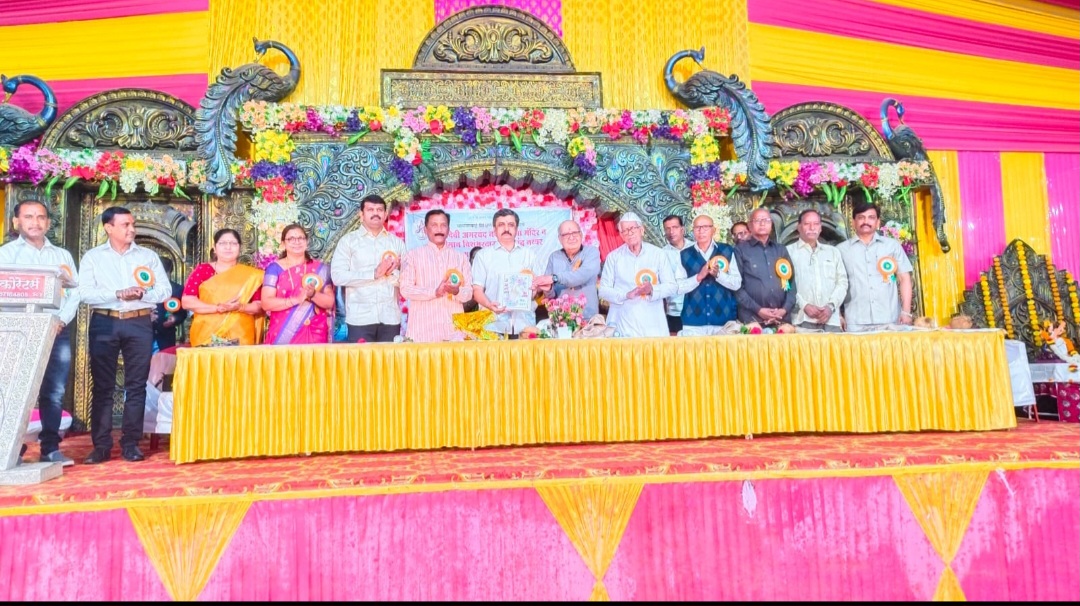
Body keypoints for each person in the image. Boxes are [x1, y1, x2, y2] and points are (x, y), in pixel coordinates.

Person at [78, 206, 171, 464]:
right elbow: (84, 293)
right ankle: (101, 446)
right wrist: (117, 294)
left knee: (136, 385)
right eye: (125, 225)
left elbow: (164, 291)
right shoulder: (93, 257)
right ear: (108, 227)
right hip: (104, 322)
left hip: (138, 322)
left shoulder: (148, 256)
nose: (132, 229)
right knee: (103, 386)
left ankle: (131, 443)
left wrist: (142, 294)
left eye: (133, 224)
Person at [0, 200, 80, 466]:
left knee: (54, 391)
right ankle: (12, 447)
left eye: (40, 217)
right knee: (12, 390)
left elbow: (74, 293)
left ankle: (50, 448)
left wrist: (60, 320)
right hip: (17, 334)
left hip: (55, 332)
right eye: (28, 217)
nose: (35, 222)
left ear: (48, 222)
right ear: (16, 222)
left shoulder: (62, 256)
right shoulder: (6, 254)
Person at [330, 195, 406, 343]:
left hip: (390, 318)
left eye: (379, 210)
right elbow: (338, 276)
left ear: (385, 214)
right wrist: (374, 274)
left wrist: (391, 273)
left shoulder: (396, 243)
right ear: (361, 214)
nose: (375, 213)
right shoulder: (348, 241)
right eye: (370, 209)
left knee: (389, 359)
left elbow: (407, 279)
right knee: (361, 359)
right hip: (360, 319)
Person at [598, 211, 677, 337]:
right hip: (623, 320)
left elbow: (672, 286)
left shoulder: (658, 254)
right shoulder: (613, 257)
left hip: (652, 321)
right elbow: (603, 290)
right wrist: (626, 295)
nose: (629, 233)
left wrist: (652, 290)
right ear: (621, 235)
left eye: (632, 228)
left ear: (641, 230)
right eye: (625, 231)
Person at [837, 202, 914, 332]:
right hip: (855, 322)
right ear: (853, 222)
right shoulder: (841, 250)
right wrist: (838, 315)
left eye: (871, 217)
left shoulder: (892, 246)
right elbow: (835, 284)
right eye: (861, 217)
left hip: (890, 320)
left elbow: (904, 279)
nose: (866, 221)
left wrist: (906, 312)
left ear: (878, 222)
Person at [181, 229, 265, 346]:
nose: (228, 247)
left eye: (233, 243)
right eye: (223, 243)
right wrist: (218, 308)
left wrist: (240, 307)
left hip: (240, 333)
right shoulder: (203, 270)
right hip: (207, 333)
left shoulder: (252, 275)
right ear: (215, 248)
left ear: (240, 248)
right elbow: (187, 302)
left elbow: (259, 306)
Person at [400, 209, 474, 342]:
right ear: (425, 229)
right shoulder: (412, 256)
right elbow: (405, 289)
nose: (439, 229)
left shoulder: (460, 258)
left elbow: (468, 293)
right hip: (422, 332)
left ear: (448, 230)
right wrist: (434, 292)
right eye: (434, 225)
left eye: (443, 225)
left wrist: (456, 291)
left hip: (453, 332)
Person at [261, 224, 336, 344]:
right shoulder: (274, 269)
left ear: (307, 242)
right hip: (282, 334)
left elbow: (330, 302)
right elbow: (266, 303)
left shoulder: (321, 269)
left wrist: (313, 294)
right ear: (283, 244)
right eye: (291, 239)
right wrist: (296, 300)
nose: (296, 242)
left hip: (315, 333)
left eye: (301, 238)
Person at [470, 209, 538, 338]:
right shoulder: (483, 256)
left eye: (511, 225)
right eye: (501, 225)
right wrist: (489, 305)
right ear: (494, 230)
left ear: (516, 229)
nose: (506, 229)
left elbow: (537, 290)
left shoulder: (529, 255)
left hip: (525, 326)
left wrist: (534, 291)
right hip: (493, 325)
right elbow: (477, 290)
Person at [677, 214, 742, 335]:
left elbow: (737, 283)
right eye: (697, 227)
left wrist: (719, 275)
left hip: (723, 320)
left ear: (714, 230)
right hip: (693, 322)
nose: (701, 231)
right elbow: (678, 287)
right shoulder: (684, 254)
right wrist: (698, 277)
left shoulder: (727, 250)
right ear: (693, 231)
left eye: (705, 227)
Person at [786, 209, 847, 332]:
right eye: (807, 224)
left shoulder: (833, 252)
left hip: (831, 320)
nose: (812, 228)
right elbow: (785, 284)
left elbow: (842, 282)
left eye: (816, 224)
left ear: (820, 228)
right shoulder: (788, 252)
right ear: (799, 227)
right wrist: (804, 305)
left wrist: (830, 307)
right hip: (801, 320)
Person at [733, 208, 796, 325]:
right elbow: (736, 287)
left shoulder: (780, 250)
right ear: (749, 226)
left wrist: (784, 310)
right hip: (752, 319)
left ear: (771, 224)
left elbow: (791, 283)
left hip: (781, 318)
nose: (762, 223)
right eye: (757, 220)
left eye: (766, 220)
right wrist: (758, 310)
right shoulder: (740, 250)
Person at [535, 220, 601, 319]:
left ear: (581, 234)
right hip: (562, 319)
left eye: (575, 232)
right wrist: (548, 289)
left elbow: (582, 275)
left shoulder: (591, 252)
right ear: (560, 239)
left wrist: (555, 278)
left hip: (588, 319)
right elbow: (551, 296)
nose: (571, 237)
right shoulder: (554, 257)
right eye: (566, 234)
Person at [662, 214, 693, 335]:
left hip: (696, 309)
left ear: (682, 229)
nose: (671, 232)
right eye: (667, 228)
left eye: (674, 227)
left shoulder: (696, 249)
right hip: (674, 311)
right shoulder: (661, 254)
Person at [151, 257, 189, 351]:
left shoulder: (177, 289)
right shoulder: (144, 288)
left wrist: (175, 319)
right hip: (145, 335)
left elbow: (182, 313)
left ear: (170, 272)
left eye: (164, 274)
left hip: (166, 337)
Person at [462, 246, 483, 313]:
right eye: (474, 257)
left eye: (480, 258)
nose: (477, 261)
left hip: (488, 317)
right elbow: (461, 308)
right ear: (469, 260)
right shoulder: (464, 278)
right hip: (468, 317)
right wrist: (477, 296)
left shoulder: (491, 279)